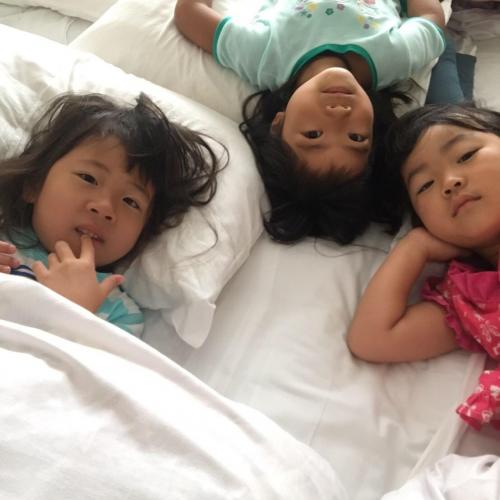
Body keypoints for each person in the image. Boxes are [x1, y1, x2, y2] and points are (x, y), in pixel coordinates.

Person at [174, 0, 446, 243]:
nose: (339, 113)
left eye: (313, 134)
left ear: (278, 125)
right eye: (356, 138)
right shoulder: (394, 57)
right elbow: (431, 20)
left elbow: (189, 13)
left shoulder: (264, 56)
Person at [0, 92, 223, 335]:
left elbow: (74, 362)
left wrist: (73, 314)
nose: (105, 207)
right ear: (34, 184)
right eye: (88, 178)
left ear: (143, 233)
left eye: (130, 201)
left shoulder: (119, 315)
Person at [347, 103, 500, 430]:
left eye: (466, 155)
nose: (449, 182)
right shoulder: (473, 300)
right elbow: (372, 338)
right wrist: (414, 247)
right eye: (425, 186)